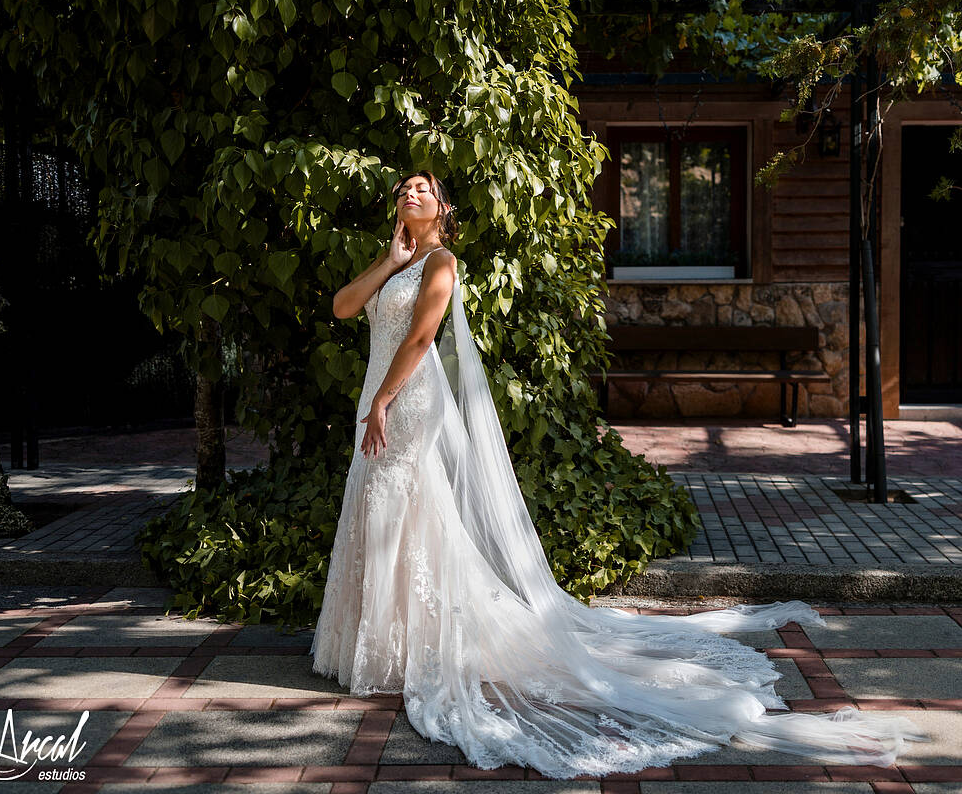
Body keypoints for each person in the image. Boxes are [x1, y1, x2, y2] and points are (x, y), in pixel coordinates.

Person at [310, 169, 925, 778]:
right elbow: (342, 308)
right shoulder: (400, 261)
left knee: (415, 514)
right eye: (403, 189)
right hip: (382, 395)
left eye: (423, 189)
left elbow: (420, 341)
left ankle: (419, 644)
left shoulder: (442, 263)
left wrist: (384, 402)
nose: (409, 193)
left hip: (406, 400)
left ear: (442, 207)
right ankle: (385, 646)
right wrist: (388, 262)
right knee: (382, 509)